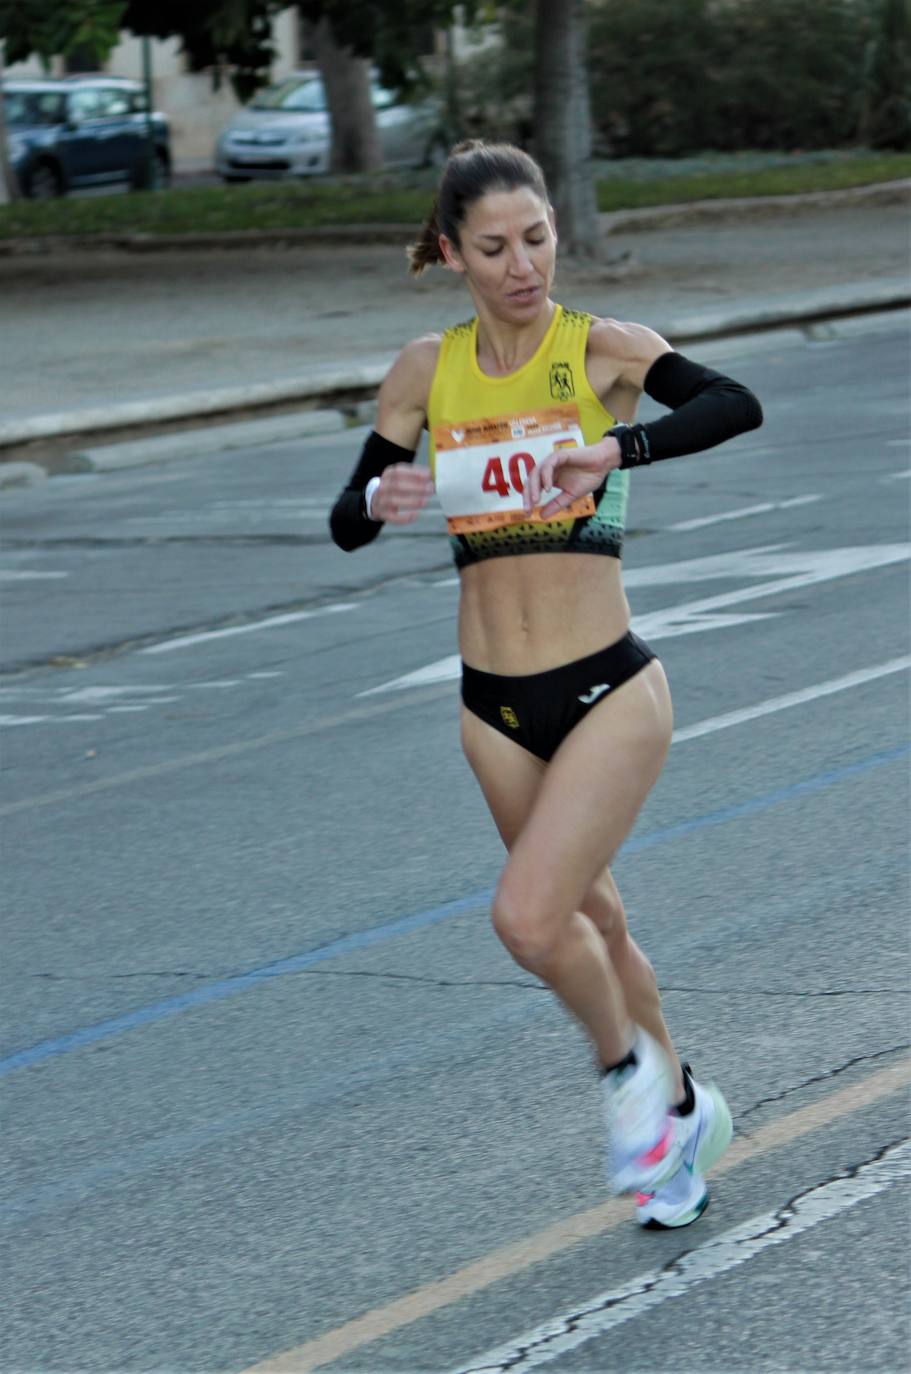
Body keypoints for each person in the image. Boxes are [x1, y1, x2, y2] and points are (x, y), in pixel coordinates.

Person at [330, 141, 762, 1228]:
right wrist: (380, 498)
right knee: (595, 923)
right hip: (493, 705)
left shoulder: (601, 349)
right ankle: (679, 1113)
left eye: (537, 238)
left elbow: (731, 403)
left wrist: (621, 449)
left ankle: (625, 1087)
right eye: (493, 246)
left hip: (607, 686)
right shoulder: (427, 371)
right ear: (449, 252)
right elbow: (345, 515)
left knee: (527, 919)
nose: (522, 264)